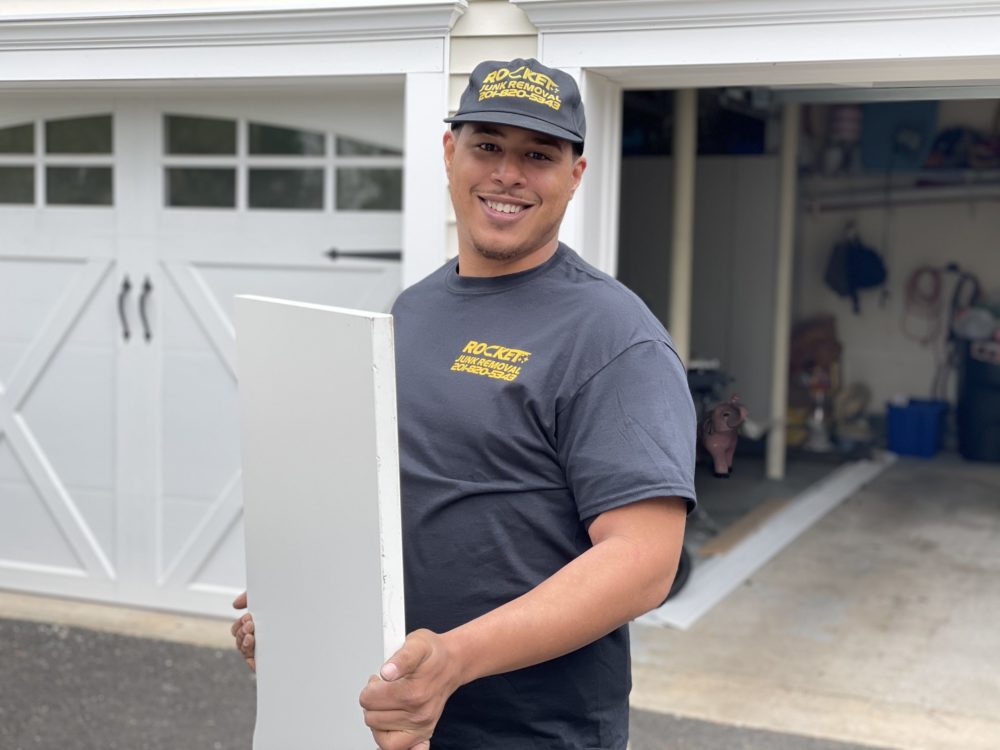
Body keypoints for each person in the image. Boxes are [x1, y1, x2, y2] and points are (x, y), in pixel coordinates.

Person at [231, 57, 696, 750]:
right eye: (488, 146)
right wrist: (300, 608)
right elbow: (383, 497)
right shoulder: (413, 310)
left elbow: (644, 561)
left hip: (531, 732)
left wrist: (454, 660)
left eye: (537, 154)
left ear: (576, 175)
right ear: (451, 154)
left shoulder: (611, 337)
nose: (508, 174)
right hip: (393, 719)